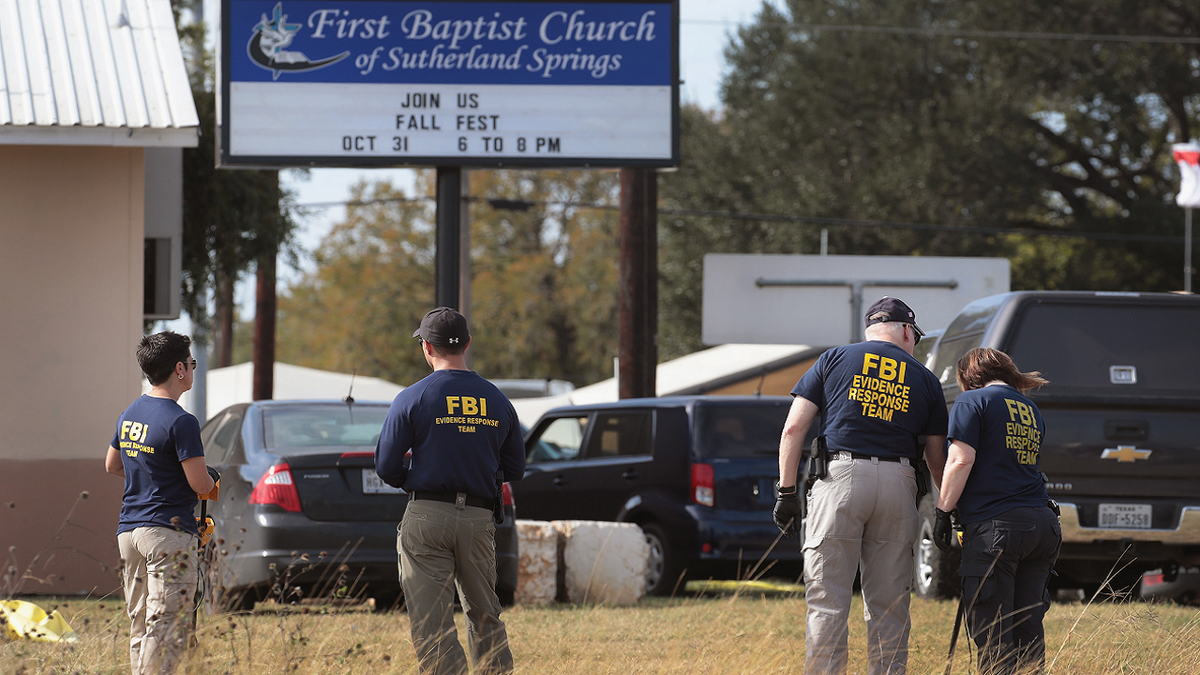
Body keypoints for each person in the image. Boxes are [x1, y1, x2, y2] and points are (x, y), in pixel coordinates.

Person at [775, 296, 948, 675]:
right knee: (889, 605)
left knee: (828, 600)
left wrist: (786, 492)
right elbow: (937, 458)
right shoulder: (925, 378)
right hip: (899, 484)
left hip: (839, 478)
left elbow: (793, 429)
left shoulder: (834, 358)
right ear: (906, 330)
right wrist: (947, 510)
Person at [375, 307, 525, 675]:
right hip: (477, 518)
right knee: (485, 614)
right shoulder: (497, 399)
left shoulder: (413, 397)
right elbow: (516, 468)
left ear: (426, 347)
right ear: (468, 344)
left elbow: (386, 465)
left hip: (427, 515)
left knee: (432, 622)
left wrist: (415, 478)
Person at [933, 347, 1060, 675]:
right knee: (1028, 626)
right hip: (1042, 525)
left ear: (969, 378)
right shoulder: (1030, 408)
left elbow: (960, 459)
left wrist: (943, 512)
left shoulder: (971, 401)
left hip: (997, 528)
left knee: (993, 629)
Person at [105, 332, 217, 675]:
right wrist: (214, 481)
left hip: (130, 532)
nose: (192, 369)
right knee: (167, 625)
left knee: (141, 622)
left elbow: (112, 464)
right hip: (166, 534)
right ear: (180, 368)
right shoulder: (182, 420)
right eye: (192, 363)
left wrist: (153, 477)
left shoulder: (130, 413)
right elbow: (199, 483)